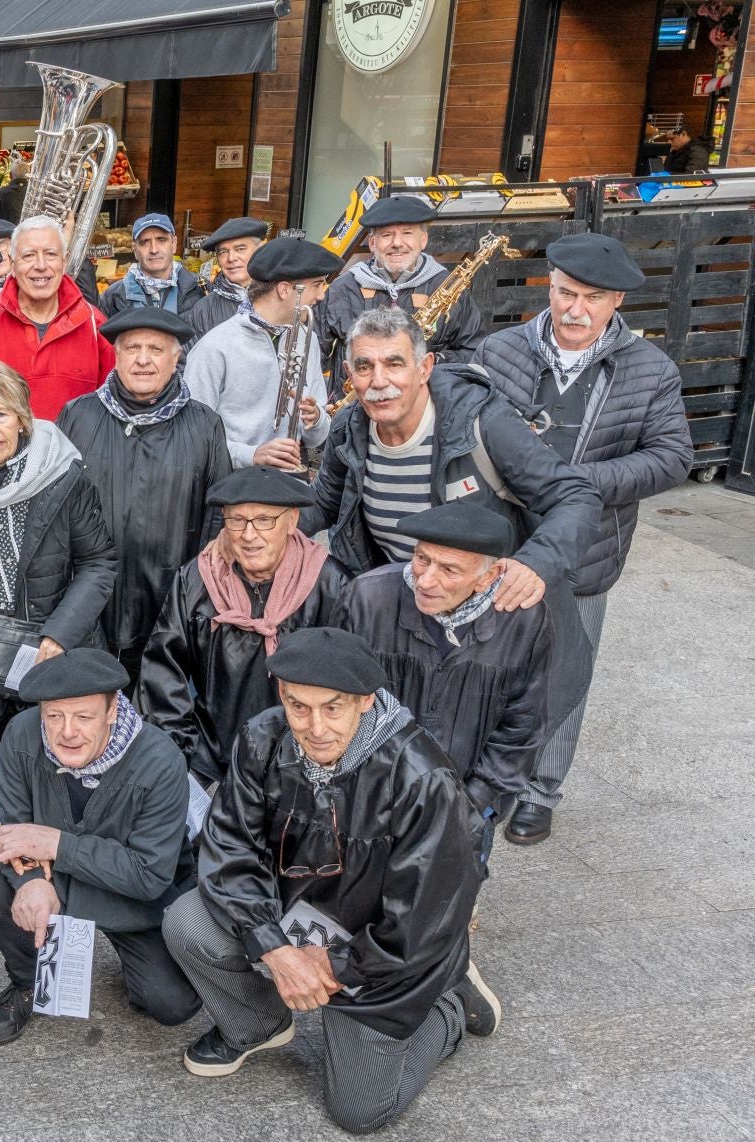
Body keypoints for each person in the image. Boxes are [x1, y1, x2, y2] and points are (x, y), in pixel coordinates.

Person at [161, 627, 500, 1132]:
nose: (314, 727)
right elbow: (230, 848)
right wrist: (275, 949)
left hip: (384, 950)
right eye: (299, 707)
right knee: (187, 921)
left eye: (332, 709)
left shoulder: (423, 780)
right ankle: (257, 1024)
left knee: (360, 1112)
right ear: (283, 696)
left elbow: (421, 918)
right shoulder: (263, 737)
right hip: (296, 916)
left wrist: (335, 964)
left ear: (365, 701)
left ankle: (447, 1004)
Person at [474, 233, 692, 844]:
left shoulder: (651, 369)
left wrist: (576, 482)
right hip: (501, 542)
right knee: (486, 664)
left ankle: (540, 791)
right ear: (551, 285)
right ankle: (487, 780)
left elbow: (673, 458)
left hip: (588, 551)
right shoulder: (499, 350)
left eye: (592, 299)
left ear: (616, 299)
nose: (575, 310)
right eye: (566, 293)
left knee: (566, 670)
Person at [0, 647, 200, 1046]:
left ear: (113, 711)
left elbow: (149, 876)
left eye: (84, 716)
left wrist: (56, 843)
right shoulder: (22, 733)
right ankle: (27, 982)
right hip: (52, 882)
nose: (67, 732)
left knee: (171, 1005)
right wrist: (29, 884)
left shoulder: (161, 760)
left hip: (133, 901)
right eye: (54, 716)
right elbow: (11, 830)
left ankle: (131, 963)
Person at [305, 306, 600, 599]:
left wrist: (533, 563)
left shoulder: (483, 422)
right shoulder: (349, 426)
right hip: (399, 608)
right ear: (349, 374)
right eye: (364, 366)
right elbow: (323, 503)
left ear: (425, 368)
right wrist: (267, 523)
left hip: (487, 611)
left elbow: (575, 496)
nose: (379, 381)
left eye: (395, 364)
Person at [0, 358, 116, 803]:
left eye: (1, 413)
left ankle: (44, 851)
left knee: (51, 752)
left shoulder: (62, 476)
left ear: (22, 418)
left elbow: (98, 562)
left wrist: (58, 636)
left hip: (48, 642)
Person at [337, 504, 564, 870]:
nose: (425, 580)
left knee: (446, 905)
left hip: (467, 803)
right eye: (422, 559)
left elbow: (520, 728)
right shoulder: (366, 598)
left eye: (449, 569)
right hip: (369, 801)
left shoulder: (525, 622)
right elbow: (337, 701)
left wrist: (472, 805)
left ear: (488, 578)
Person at [139, 465, 350, 787]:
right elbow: (163, 678)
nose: (250, 535)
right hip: (212, 758)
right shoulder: (197, 580)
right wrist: (179, 763)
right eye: (237, 521)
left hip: (303, 763)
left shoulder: (328, 583)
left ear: (292, 521)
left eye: (265, 520)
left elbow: (348, 690)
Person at [55, 308, 233, 683]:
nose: (143, 359)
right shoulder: (79, 415)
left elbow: (218, 516)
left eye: (156, 349)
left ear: (175, 358)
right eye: (132, 348)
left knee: (160, 703)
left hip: (169, 598)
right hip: (88, 598)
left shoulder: (203, 425)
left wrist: (199, 595)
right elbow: (53, 507)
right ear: (116, 356)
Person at [184, 234, 336, 471]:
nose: (321, 295)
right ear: (286, 290)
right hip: (231, 487)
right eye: (316, 285)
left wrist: (315, 418)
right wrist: (251, 454)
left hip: (287, 484)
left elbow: (317, 437)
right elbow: (191, 436)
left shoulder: (308, 340)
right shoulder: (216, 346)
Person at [0, 215, 114, 423]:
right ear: (12, 264)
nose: (40, 265)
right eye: (29, 255)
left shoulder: (95, 325)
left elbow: (113, 407)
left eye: (50, 254)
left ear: (64, 261)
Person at [320, 196, 483, 373]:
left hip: (425, 398)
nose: (397, 243)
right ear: (373, 243)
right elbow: (312, 354)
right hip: (355, 399)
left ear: (423, 240)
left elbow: (474, 352)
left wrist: (432, 362)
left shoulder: (449, 287)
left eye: (407, 233)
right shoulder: (343, 288)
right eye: (387, 235)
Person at [100, 213, 205, 319]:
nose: (154, 250)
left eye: (161, 240)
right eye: (144, 242)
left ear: (174, 244)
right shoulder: (112, 297)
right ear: (135, 250)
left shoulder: (201, 289)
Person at [186, 217, 267, 339]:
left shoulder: (282, 296)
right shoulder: (204, 310)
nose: (231, 258)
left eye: (240, 249)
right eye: (223, 252)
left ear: (261, 249)